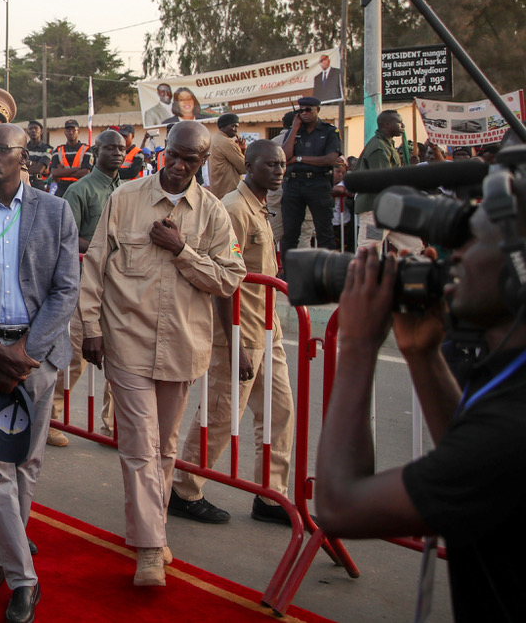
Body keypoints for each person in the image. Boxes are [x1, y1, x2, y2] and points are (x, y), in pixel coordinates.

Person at [316, 176, 526, 622]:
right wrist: (422, 355)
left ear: (518, 268)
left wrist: (357, 344)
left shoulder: (512, 427)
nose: (455, 255)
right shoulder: (511, 390)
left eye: (473, 240)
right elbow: (468, 461)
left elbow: (339, 506)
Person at [78, 121, 246, 586]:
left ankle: (153, 525)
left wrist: (182, 250)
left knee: (165, 448)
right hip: (127, 341)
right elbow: (95, 265)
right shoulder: (125, 198)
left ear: (203, 162)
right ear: (162, 151)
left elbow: (229, 278)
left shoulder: (213, 213)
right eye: (173, 154)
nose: (178, 165)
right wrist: (90, 327)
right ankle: (150, 547)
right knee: (139, 444)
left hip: (182, 347)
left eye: (190, 160)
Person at [0, 124, 79, 623]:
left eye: (1, 149)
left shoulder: (56, 211)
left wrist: (25, 352)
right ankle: (25, 579)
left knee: (27, 463)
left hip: (38, 357)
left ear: (24, 156)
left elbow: (66, 290)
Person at [170, 140, 294, 525]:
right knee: (222, 414)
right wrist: (236, 342)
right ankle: (183, 488)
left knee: (279, 413)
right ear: (249, 166)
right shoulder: (234, 209)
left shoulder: (260, 206)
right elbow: (223, 279)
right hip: (240, 331)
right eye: (270, 164)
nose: (278, 171)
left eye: (282, 164)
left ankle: (271, 495)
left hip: (267, 328)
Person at [53, 129, 125, 446]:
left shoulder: (128, 190)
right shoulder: (80, 190)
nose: (118, 153)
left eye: (121, 148)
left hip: (122, 285)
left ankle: (114, 427)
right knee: (75, 358)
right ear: (96, 152)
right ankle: (51, 419)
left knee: (122, 358)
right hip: (87, 284)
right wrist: (103, 249)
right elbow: (66, 236)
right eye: (110, 148)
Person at [280, 97, 342, 256]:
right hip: (293, 183)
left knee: (324, 232)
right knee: (290, 233)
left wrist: (299, 159)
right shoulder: (294, 131)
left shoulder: (329, 131)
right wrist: (294, 128)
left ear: (317, 110)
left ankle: (328, 269)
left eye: (308, 110)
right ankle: (289, 270)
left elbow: (330, 159)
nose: (304, 113)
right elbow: (285, 157)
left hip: (318, 183)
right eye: (301, 110)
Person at [354, 110, 422, 253]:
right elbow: (383, 181)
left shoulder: (387, 144)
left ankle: (403, 268)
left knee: (413, 245)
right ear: (386, 124)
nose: (403, 126)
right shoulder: (379, 147)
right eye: (399, 123)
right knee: (369, 250)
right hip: (376, 211)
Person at [207, 113, 247, 199]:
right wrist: (244, 150)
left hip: (218, 190)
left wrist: (241, 150)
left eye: (237, 127)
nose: (236, 130)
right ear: (223, 126)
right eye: (233, 126)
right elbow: (244, 168)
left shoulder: (215, 139)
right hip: (229, 192)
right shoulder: (226, 142)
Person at [47, 119, 91, 197]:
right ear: (64, 132)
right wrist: (77, 169)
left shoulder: (87, 149)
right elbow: (54, 173)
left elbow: (85, 173)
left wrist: (63, 171)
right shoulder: (58, 150)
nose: (70, 132)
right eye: (68, 130)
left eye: (73, 130)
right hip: (61, 189)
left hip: (80, 188)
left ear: (78, 131)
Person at [24, 121, 51, 191]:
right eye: (31, 128)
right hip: (23, 182)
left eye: (36, 128)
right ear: (27, 132)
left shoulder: (47, 149)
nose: (33, 130)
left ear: (41, 131)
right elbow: (16, 166)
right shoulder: (23, 148)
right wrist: (34, 163)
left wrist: (28, 163)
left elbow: (39, 169)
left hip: (37, 184)